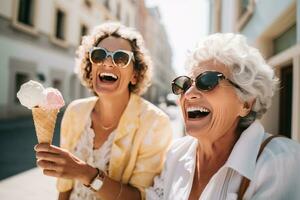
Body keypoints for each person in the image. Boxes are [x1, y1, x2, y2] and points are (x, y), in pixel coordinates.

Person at [146, 33, 300, 200]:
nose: (188, 94)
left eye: (207, 81)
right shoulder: (175, 153)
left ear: (246, 103)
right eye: (185, 84)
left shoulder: (283, 162)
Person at [34, 22, 172, 200]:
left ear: (134, 75)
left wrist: (87, 174)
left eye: (121, 58)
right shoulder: (75, 111)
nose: (107, 62)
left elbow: (140, 198)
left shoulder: (155, 122)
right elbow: (65, 186)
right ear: (90, 69)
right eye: (99, 55)